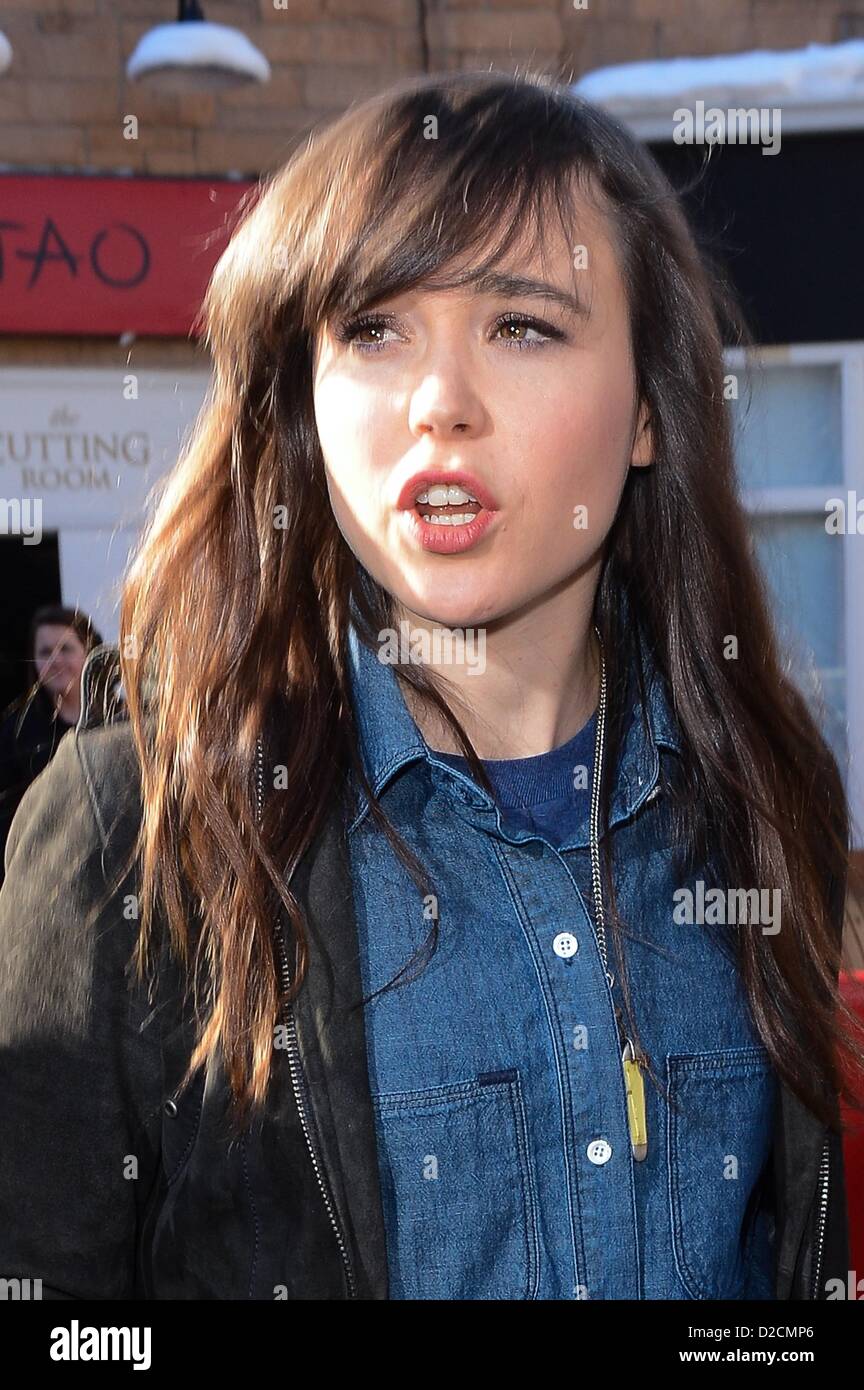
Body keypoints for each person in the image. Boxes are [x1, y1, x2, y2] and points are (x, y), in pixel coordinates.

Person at [0, 70, 861, 1302]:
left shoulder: (764, 795)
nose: (438, 405)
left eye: (523, 326)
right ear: (303, 392)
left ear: (647, 415)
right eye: (375, 329)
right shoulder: (133, 836)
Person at [0, 605, 102, 884]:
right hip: (43, 879)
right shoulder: (15, 734)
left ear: (90, 652)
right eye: (45, 652)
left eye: (65, 649)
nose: (55, 660)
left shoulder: (120, 721)